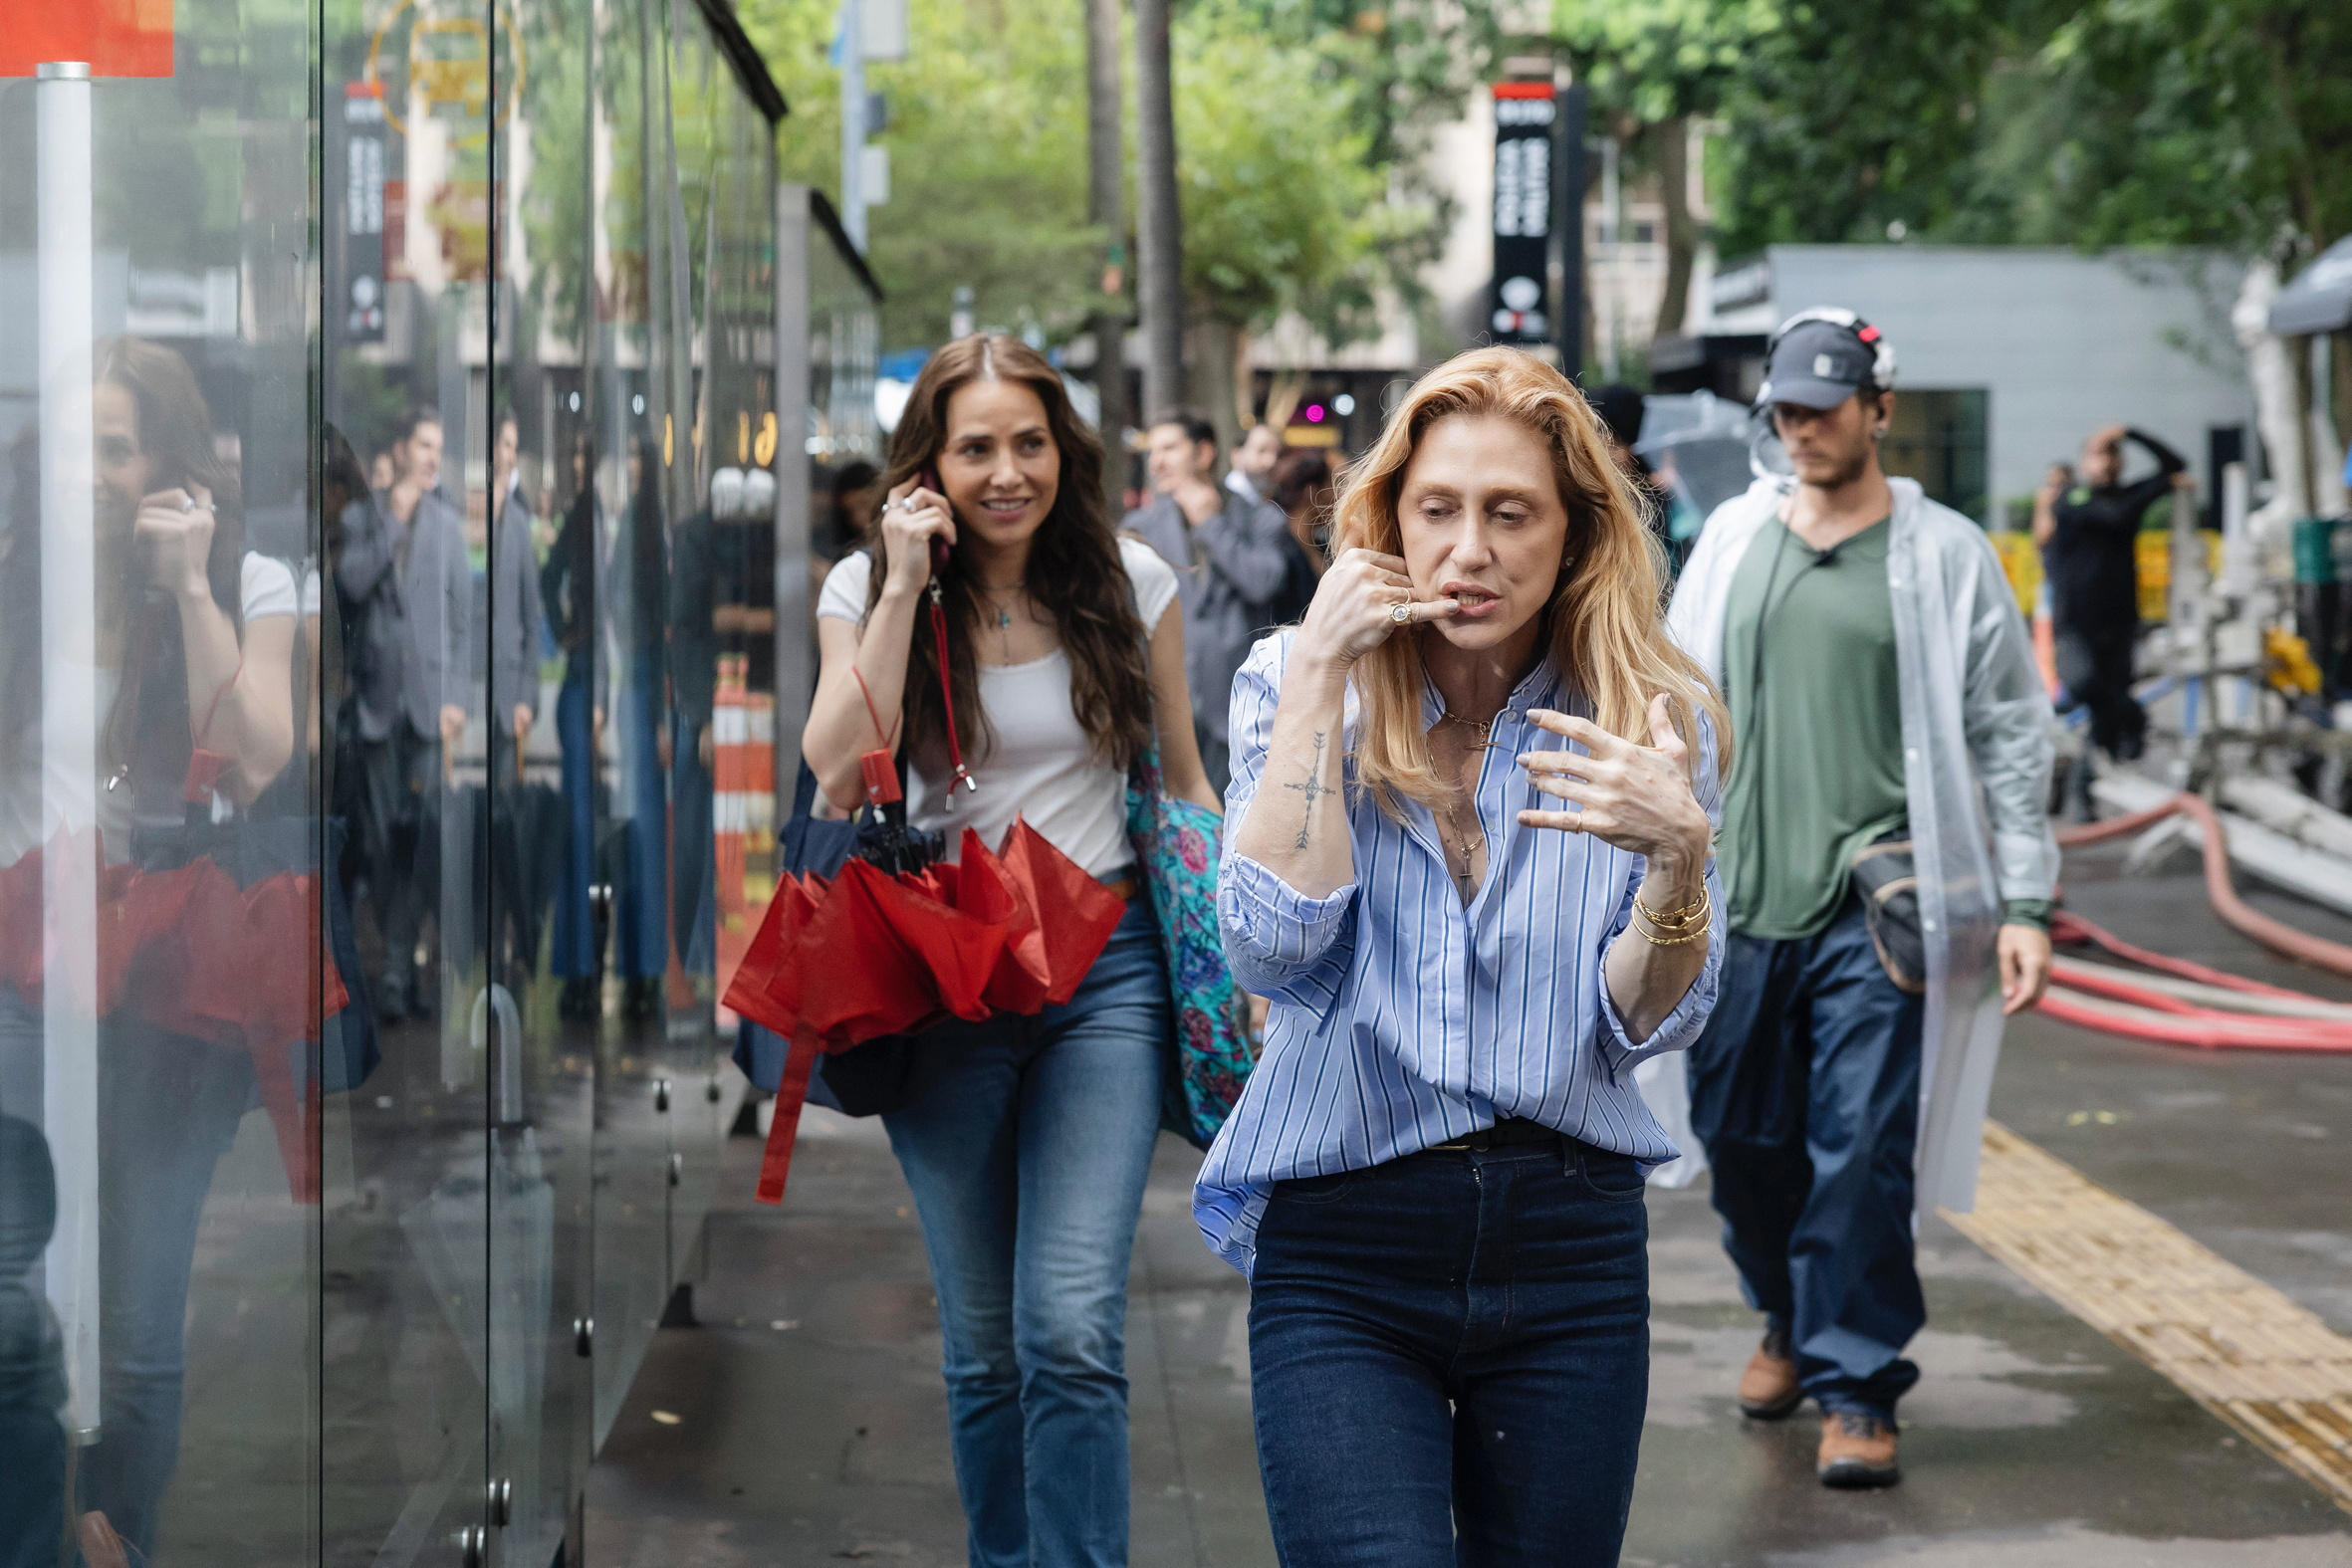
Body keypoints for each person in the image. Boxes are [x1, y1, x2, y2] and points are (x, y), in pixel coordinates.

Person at [1202, 346, 1726, 1567]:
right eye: (1437, 510)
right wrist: (1322, 681)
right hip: (1344, 1241)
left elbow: (1647, 1021)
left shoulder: (1648, 716)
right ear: (1387, 522)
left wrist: (1677, 861)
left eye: (1510, 513)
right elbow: (1272, 947)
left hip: (1570, 1245)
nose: (1469, 550)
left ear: (1576, 532)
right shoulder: (1293, 678)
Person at [805, 334, 1220, 1568]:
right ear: (928, 462)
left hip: (1106, 973)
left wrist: (1236, 955)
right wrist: (896, 582)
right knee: (984, 1341)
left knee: (1071, 1327)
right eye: (974, 446)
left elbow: (1185, 780)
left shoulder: (1132, 581)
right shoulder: (861, 590)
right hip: (942, 982)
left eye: (1027, 443)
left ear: (1063, 451)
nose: (1005, 471)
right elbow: (835, 765)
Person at [1665, 310, 2058, 1488]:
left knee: (1859, 1150)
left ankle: (1854, 1380)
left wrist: (2026, 899)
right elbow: (1673, 706)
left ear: (1877, 410)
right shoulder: (1732, 538)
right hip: (1739, 900)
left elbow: (2006, 730)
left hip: (1874, 903)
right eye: (1784, 409)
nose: (1800, 427)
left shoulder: (1942, 555)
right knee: (1741, 1141)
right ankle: (1783, 1316)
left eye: (1824, 407)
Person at [0, 336, 298, 1558]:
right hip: (20, 972)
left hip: (173, 981)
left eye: (115, 448)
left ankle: (125, 1535)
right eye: (72, 442)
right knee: (11, 1289)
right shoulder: (19, 575)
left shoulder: (248, 579)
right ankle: (43, 1533)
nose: (89, 471)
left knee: (138, 1329)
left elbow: (258, 754)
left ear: (168, 463)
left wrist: (185, 586)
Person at [338, 404, 471, 1023]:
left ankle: (395, 968)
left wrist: (457, 701)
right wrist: (392, 522)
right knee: (382, 841)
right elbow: (352, 583)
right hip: (375, 708)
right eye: (423, 444)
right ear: (401, 451)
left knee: (419, 842)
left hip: (427, 711)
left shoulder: (448, 526)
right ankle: (392, 967)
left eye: (438, 447)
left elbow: (463, 623)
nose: (431, 456)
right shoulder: (363, 518)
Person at [1123, 409, 1294, 793]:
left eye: (1169, 447)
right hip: (1161, 709)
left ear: (1203, 453)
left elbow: (1263, 581)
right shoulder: (1139, 527)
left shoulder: (1260, 518)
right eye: (1153, 451)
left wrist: (1209, 525)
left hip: (1239, 708)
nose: (1157, 461)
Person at [2031, 423, 2192, 771]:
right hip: (2075, 623)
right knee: (2085, 686)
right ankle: (2132, 717)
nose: (2106, 463)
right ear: (2084, 462)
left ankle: (2089, 790)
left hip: (2119, 623)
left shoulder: (2129, 496)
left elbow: (2176, 464)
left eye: (2112, 455)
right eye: (2098, 455)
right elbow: (2112, 515)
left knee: (2106, 715)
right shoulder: (2073, 498)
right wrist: (2157, 489)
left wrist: (2131, 432)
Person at [541, 434, 606, 1019]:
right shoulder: (593, 515)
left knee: (588, 831)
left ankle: (586, 968)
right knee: (583, 832)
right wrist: (568, 632)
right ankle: (582, 968)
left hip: (596, 681)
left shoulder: (608, 516)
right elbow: (549, 578)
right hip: (588, 682)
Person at [1227, 419, 1285, 505]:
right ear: (1237, 454)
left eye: (1278, 453)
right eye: (1262, 450)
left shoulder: (1275, 496)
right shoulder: (1223, 502)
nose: (1272, 461)